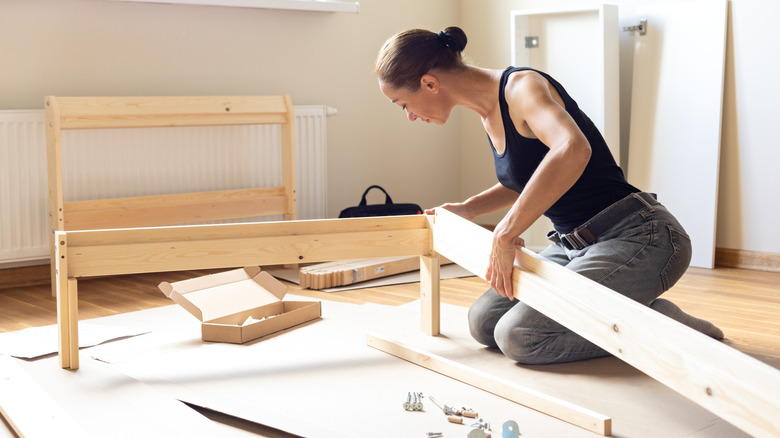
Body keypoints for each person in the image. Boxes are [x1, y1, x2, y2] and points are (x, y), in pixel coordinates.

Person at [375, 26, 724, 365]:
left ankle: (661, 324)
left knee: (520, 336)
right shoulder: (487, 114)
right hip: (572, 246)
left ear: (430, 83)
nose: (409, 116)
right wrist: (467, 209)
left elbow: (572, 148)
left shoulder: (522, 88)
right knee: (485, 323)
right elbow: (524, 180)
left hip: (639, 236)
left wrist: (506, 232)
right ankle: (635, 310)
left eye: (402, 104)